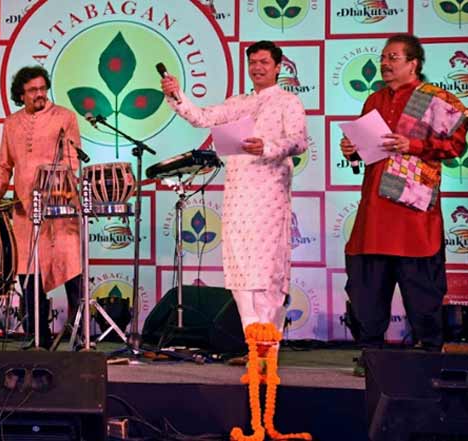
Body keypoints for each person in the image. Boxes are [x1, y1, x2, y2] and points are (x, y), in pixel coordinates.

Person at [161, 40, 308, 348]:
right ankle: (252, 340)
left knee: (267, 268)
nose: (257, 67)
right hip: (238, 194)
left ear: (279, 66)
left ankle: (269, 343)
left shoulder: (287, 102)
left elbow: (298, 142)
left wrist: (267, 147)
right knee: (242, 269)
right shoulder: (238, 102)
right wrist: (176, 94)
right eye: (253, 62)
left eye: (264, 62)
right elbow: (202, 117)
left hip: (269, 194)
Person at [340, 34, 467, 375]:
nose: (386, 63)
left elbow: (456, 146)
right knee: (367, 290)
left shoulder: (436, 100)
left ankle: (428, 357)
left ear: (414, 63)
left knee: (421, 290)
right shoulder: (374, 99)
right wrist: (352, 152)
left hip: (414, 216)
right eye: (383, 57)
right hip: (374, 214)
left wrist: (411, 144)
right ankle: (371, 357)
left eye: (394, 57)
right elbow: (367, 151)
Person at [0, 66, 83, 350]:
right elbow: (4, 164)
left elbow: (72, 160)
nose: (40, 94)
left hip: (60, 207)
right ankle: (37, 335)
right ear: (21, 94)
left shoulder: (65, 117)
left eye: (43, 88)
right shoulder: (12, 123)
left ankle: (79, 336)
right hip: (25, 210)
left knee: (71, 268)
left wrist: (57, 188)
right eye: (32, 90)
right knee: (28, 272)